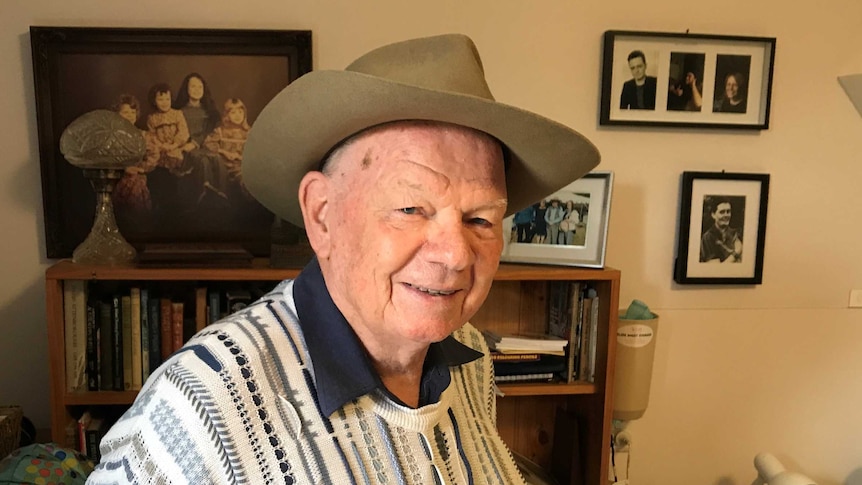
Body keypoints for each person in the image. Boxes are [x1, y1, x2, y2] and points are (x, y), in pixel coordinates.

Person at [87, 34, 600, 484]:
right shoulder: (202, 407)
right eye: (410, 208)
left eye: (481, 219)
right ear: (323, 215)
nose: (455, 255)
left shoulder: (470, 357)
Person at [173, 72, 224, 205]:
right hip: (187, 148)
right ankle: (205, 201)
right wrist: (189, 144)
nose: (196, 90)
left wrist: (199, 142)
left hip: (204, 146)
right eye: (193, 86)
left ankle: (223, 198)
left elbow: (210, 131)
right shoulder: (179, 111)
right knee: (203, 161)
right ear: (186, 89)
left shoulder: (209, 111)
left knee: (217, 159)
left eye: (199, 87)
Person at [203, 97, 252, 200]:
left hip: (246, 166)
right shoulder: (220, 131)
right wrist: (223, 152)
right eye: (233, 112)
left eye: (240, 112)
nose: (238, 115)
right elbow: (208, 144)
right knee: (244, 180)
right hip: (229, 169)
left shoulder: (249, 133)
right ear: (227, 115)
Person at [143, 82, 190, 175]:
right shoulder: (152, 118)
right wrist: (161, 146)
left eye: (167, 99)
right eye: (160, 99)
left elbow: (183, 132)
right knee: (155, 163)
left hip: (176, 147)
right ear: (154, 101)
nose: (165, 102)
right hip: (160, 148)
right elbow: (152, 136)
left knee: (176, 159)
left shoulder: (177, 114)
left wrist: (174, 145)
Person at [700, 196, 742, 263]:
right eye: (722, 212)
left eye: (728, 212)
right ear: (713, 215)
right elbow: (716, 269)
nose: (726, 215)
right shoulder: (708, 238)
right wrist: (736, 253)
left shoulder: (736, 233)